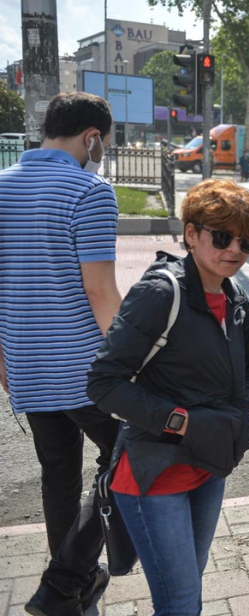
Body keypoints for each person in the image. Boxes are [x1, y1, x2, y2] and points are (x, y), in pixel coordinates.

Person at [87, 179, 249, 615]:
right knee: (180, 603)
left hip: (209, 466)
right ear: (191, 234)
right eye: (223, 236)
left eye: (247, 242)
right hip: (156, 474)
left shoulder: (233, 297)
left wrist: (230, 414)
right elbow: (103, 383)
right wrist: (184, 422)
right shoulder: (161, 293)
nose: (235, 250)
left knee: (186, 591)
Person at [0, 92, 121, 616]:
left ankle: (69, 584)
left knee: (59, 472)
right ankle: (65, 579)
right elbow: (101, 293)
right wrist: (135, 364)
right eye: (103, 144)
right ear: (91, 137)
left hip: (25, 363)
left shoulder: (1, 188)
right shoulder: (90, 191)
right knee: (131, 454)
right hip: (85, 370)